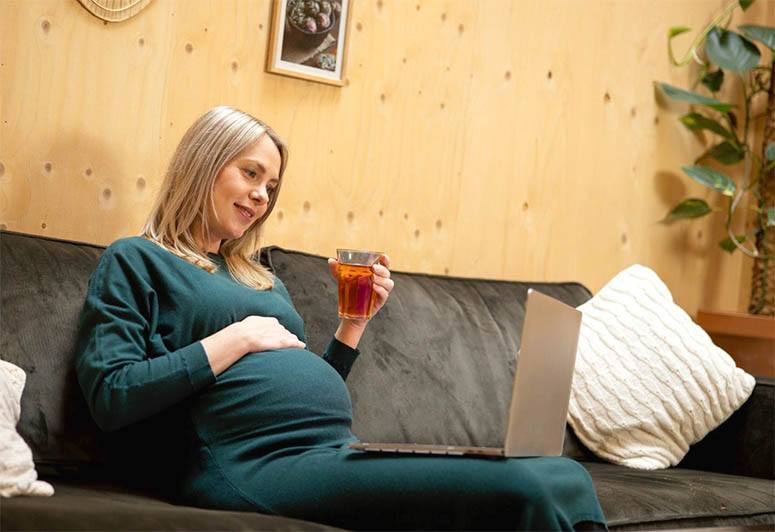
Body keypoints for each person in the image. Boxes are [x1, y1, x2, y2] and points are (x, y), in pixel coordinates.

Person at [75, 106, 607, 531]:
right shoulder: (136, 259)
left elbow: (303, 385)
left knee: (564, 474)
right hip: (250, 464)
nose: (262, 196)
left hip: (332, 449)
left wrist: (352, 328)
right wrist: (233, 340)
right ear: (202, 165)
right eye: (251, 173)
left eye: (272, 186)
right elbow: (111, 393)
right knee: (525, 488)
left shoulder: (259, 278)